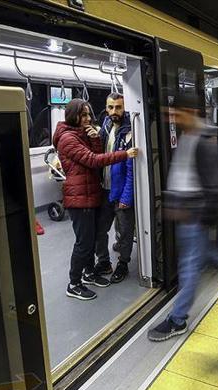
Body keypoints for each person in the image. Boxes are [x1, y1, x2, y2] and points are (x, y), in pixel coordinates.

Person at [148, 93, 218, 341]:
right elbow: (185, 173)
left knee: (189, 268)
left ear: (192, 113)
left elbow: (215, 185)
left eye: (177, 113)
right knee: (207, 251)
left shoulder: (205, 141)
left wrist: (200, 215)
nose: (173, 118)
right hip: (186, 210)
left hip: (195, 213)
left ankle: (177, 320)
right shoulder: (188, 136)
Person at [54, 98, 138, 300]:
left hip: (92, 194)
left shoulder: (83, 133)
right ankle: (74, 283)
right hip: (80, 197)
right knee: (84, 242)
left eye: (89, 114)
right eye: (83, 115)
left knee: (97, 237)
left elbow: (95, 154)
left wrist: (93, 138)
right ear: (72, 115)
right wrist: (124, 154)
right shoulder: (68, 138)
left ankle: (90, 273)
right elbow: (93, 160)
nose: (88, 119)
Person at [94, 93, 135, 283]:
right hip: (105, 189)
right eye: (110, 107)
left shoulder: (130, 130)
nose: (114, 111)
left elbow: (131, 168)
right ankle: (104, 261)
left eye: (118, 107)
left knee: (125, 232)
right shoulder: (106, 125)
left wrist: (127, 197)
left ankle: (123, 264)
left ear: (124, 107)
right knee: (100, 230)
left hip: (120, 192)